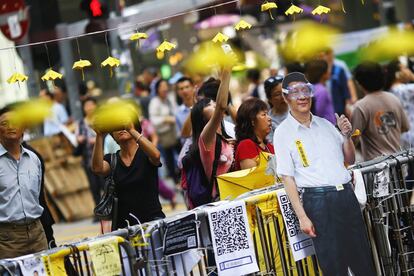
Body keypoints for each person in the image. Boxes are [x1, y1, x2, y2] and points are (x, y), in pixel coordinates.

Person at [273, 72, 375, 276]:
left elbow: (350, 159)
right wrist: (302, 216)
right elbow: (287, 178)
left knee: (363, 260)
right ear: (285, 97)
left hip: (346, 195)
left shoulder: (326, 125)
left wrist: (346, 136)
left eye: (306, 90)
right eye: (295, 92)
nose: (302, 96)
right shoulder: (283, 132)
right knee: (334, 265)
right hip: (318, 201)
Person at [91, 112, 165, 229]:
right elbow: (97, 168)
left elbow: (156, 156)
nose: (121, 129)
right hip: (124, 228)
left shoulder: (146, 153)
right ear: (112, 136)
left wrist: (131, 130)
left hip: (152, 223)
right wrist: (99, 135)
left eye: (123, 125)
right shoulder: (112, 160)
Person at [0, 104, 48, 258]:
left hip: (37, 233)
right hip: (7, 239)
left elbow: (39, 196)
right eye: (4, 124)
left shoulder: (34, 158)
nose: (11, 127)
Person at [183, 67, 234, 202]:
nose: (215, 105)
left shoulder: (224, 136)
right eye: (210, 104)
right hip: (221, 200)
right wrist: (227, 73)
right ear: (202, 116)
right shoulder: (205, 139)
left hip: (233, 196)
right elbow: (222, 106)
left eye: (214, 103)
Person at [352, 61, 410, 161]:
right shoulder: (393, 98)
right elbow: (405, 127)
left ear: (359, 83)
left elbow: (354, 137)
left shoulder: (361, 106)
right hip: (398, 162)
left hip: (376, 167)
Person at [149, 79, 181, 183]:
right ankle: (175, 180)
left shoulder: (170, 99)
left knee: (181, 154)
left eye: (166, 86)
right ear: (157, 89)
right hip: (164, 135)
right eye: (162, 86)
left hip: (175, 133)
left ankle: (181, 175)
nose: (165, 88)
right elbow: (153, 120)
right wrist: (166, 119)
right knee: (169, 158)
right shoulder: (154, 102)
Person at [75, 97, 104, 209]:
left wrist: (97, 139)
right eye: (86, 106)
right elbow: (76, 137)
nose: (89, 108)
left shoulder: (101, 120)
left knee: (105, 185)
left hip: (102, 158)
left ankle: (111, 209)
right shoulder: (81, 123)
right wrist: (79, 139)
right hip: (88, 159)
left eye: (91, 105)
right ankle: (99, 212)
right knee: (94, 186)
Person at [234, 98, 274, 170]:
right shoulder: (245, 145)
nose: (269, 118)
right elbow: (253, 178)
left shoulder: (270, 147)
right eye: (264, 114)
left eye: (267, 114)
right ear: (252, 121)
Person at [385, 59, 414, 149]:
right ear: (397, 74)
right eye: (405, 68)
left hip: (400, 137)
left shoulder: (389, 92)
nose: (408, 71)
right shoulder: (406, 89)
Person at [305, 59, 336, 124]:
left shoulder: (311, 87)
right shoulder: (322, 91)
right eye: (327, 70)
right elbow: (318, 112)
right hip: (326, 126)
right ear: (323, 74)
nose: (329, 72)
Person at [264, 75, 288, 142]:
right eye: (277, 94)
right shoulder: (268, 120)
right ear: (269, 99)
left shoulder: (299, 111)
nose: (283, 97)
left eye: (284, 92)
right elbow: (271, 143)